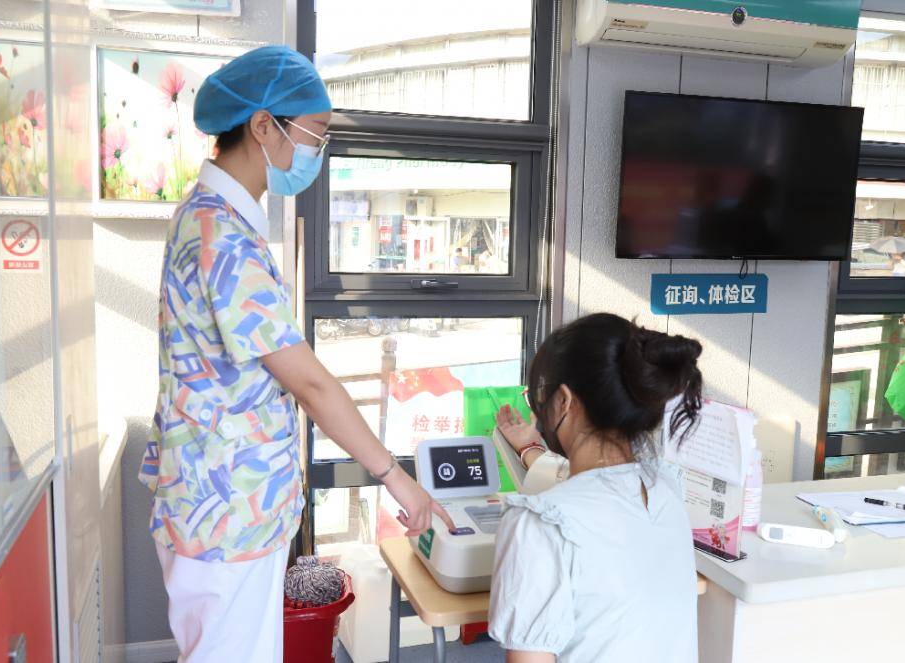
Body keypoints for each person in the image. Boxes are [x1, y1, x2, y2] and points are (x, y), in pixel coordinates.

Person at [138, 46, 452, 663]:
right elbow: (312, 386)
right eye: (316, 132)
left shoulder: (215, 219)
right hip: (225, 511)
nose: (316, 149)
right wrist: (398, 481)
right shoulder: (225, 238)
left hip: (226, 502)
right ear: (264, 126)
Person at [489, 313, 703, 663]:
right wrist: (530, 451)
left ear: (564, 401)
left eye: (538, 398)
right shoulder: (666, 490)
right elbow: (589, 488)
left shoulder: (539, 527)